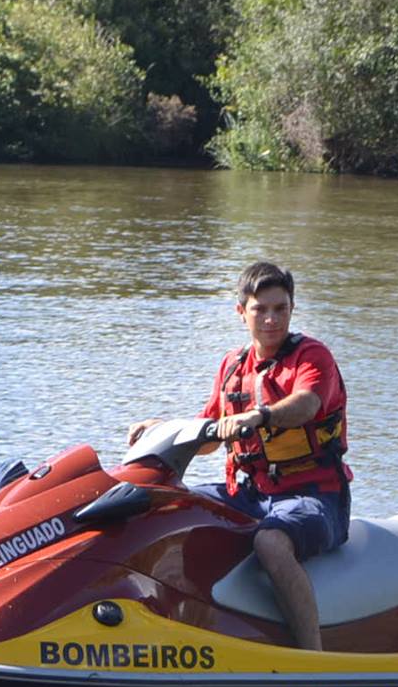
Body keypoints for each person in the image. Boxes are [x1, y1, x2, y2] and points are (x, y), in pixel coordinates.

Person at [127, 261, 350, 649]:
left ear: (292, 309)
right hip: (248, 494)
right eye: (260, 309)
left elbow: (307, 405)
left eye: (280, 309)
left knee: (270, 543)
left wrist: (260, 416)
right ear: (241, 312)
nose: (270, 319)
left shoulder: (312, 357)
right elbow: (210, 435)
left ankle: (313, 656)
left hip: (315, 496)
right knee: (169, 508)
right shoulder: (233, 366)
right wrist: (161, 428)